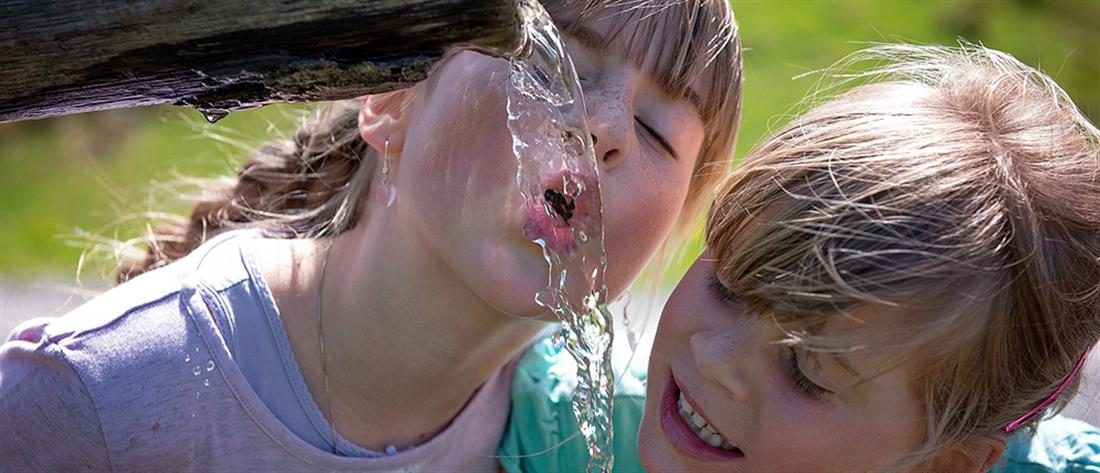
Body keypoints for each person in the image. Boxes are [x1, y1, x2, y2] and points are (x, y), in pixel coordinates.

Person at [0, 1, 743, 471]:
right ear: (390, 99)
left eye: (656, 130)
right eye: (554, 69)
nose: (605, 128)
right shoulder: (92, 401)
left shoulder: (624, 442)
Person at [501, 43, 1100, 472]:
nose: (714, 357)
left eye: (806, 371)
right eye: (727, 287)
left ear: (944, 463)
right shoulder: (556, 434)